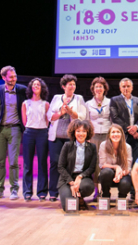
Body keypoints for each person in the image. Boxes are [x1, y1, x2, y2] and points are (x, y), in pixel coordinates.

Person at [47, 74, 86, 202]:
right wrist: (61, 113)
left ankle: (69, 191)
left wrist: (70, 112)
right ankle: (53, 192)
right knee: (54, 163)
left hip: (71, 137)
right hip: (56, 136)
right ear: (64, 86)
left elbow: (82, 116)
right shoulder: (56, 98)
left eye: (74, 84)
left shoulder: (79, 98)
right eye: (70, 84)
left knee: (70, 164)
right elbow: (49, 117)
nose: (72, 86)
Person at [0, 66, 27, 200]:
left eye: (15, 76)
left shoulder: (22, 90)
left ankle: (14, 190)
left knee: (13, 161)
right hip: (0, 129)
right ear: (4, 78)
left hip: (15, 129)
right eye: (10, 77)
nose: (13, 79)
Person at [58, 119, 96, 211]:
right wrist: (71, 182)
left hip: (83, 178)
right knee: (70, 209)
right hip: (67, 178)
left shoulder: (92, 147)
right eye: (78, 131)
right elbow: (60, 166)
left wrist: (80, 177)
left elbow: (92, 168)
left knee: (88, 187)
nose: (81, 134)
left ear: (87, 133)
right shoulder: (67, 145)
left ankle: (80, 196)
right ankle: (75, 197)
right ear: (74, 132)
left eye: (84, 131)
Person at [21, 78, 49, 201]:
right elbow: (24, 121)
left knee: (42, 163)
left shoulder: (45, 104)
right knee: (27, 163)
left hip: (42, 133)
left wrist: (42, 129)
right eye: (34, 84)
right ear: (31, 87)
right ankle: (27, 192)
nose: (36, 86)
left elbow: (47, 121)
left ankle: (42, 191)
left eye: (38, 84)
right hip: (29, 132)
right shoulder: (26, 103)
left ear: (42, 88)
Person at [86, 76, 111, 199]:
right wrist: (88, 137)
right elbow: (86, 121)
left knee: (106, 162)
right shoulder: (88, 104)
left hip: (107, 135)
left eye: (101, 86)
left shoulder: (110, 102)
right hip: (94, 136)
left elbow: (113, 120)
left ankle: (106, 190)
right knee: (95, 163)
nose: (98, 89)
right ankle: (97, 191)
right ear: (93, 89)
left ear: (104, 88)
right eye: (96, 87)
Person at [110, 78, 138, 165]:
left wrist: (136, 127)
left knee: (136, 162)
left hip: (136, 136)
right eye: (123, 86)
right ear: (120, 88)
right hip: (123, 135)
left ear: (132, 87)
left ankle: (135, 178)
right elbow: (115, 118)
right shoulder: (114, 100)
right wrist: (130, 130)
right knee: (123, 162)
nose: (126, 88)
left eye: (128, 86)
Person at [98, 124, 132, 199]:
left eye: (118, 132)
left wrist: (119, 175)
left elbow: (128, 168)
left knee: (125, 183)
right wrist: (116, 167)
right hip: (108, 174)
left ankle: (122, 198)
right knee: (106, 172)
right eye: (113, 132)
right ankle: (105, 195)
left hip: (122, 174)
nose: (115, 134)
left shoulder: (127, 147)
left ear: (122, 135)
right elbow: (102, 164)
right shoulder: (103, 145)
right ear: (109, 135)